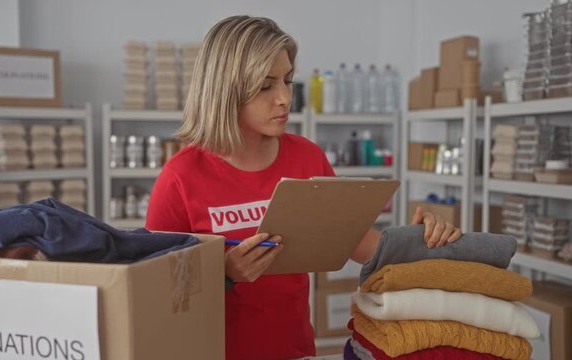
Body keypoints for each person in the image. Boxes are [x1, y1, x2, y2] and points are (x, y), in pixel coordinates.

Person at [145, 15, 462, 360]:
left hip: (294, 351)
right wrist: (225, 275)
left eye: (287, 80)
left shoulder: (306, 158)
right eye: (266, 86)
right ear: (225, 89)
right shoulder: (180, 176)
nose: (283, 98)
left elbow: (357, 241)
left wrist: (419, 240)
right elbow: (155, 293)